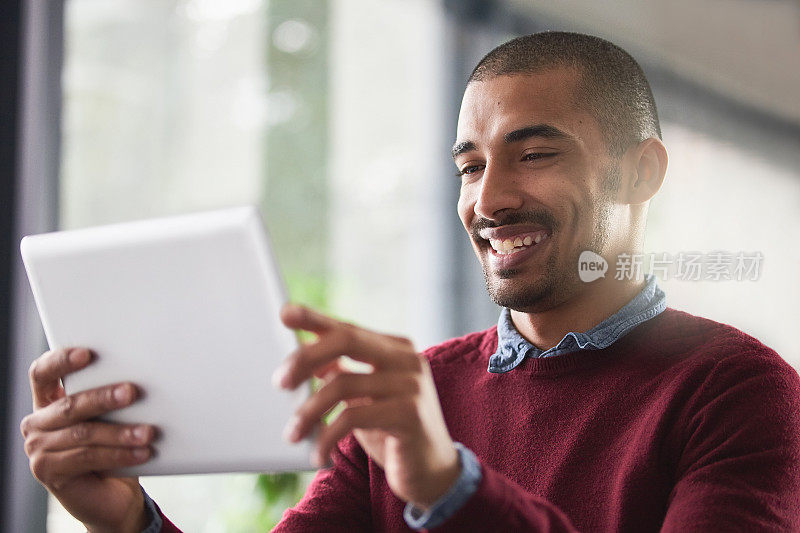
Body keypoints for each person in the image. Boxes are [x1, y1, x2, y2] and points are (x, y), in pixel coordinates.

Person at [21, 32, 800, 532]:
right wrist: (128, 522)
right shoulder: (416, 397)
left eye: (534, 154)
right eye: (469, 166)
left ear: (639, 172)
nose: (488, 200)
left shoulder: (740, 392)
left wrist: (447, 484)